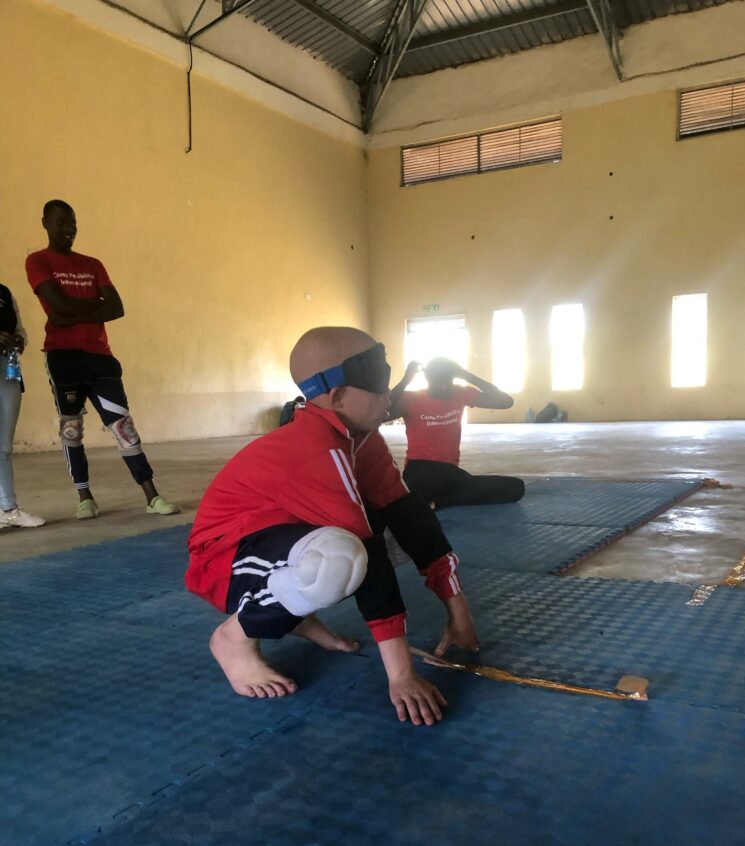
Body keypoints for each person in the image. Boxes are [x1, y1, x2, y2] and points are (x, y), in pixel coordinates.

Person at [186, 327, 480, 727]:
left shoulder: (362, 438)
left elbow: (411, 516)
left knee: (392, 525)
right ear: (337, 396)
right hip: (224, 561)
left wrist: (457, 609)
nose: (389, 396)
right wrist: (402, 675)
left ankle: (298, 617)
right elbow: (368, 553)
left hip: (282, 540)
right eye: (378, 384)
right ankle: (233, 640)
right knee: (342, 558)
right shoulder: (316, 448)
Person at [25, 200, 179, 520]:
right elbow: (59, 307)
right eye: (60, 222)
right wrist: (94, 305)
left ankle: (151, 495)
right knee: (72, 430)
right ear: (45, 223)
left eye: (73, 223)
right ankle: (85, 498)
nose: (68, 229)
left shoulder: (93, 263)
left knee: (123, 426)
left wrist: (72, 311)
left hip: (99, 357)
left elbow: (116, 307)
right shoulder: (37, 260)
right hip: (62, 357)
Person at [388, 356, 525, 508]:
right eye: (438, 383)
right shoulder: (410, 398)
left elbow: (505, 402)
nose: (444, 388)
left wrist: (466, 375)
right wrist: (405, 381)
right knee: (424, 489)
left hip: (450, 471)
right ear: (427, 379)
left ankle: (436, 502)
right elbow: (381, 413)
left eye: (448, 382)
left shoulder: (461, 394)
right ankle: (433, 499)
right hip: (420, 469)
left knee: (516, 488)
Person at [0, 282, 45, 529]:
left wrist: (18, 340)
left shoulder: (4, 292)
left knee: (4, 446)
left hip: (7, 369)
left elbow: (20, 330)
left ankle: (8, 508)